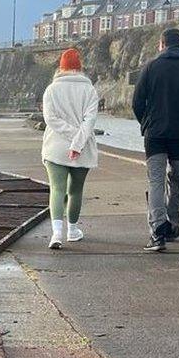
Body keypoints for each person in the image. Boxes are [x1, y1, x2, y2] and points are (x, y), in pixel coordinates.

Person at [132, 28, 179, 252]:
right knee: (177, 179)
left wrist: (145, 123)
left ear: (162, 44)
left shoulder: (151, 67)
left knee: (155, 181)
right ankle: (173, 224)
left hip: (155, 134)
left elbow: (137, 101)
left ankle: (157, 232)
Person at [40, 48, 100, 250]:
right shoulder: (90, 90)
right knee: (75, 191)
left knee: (56, 189)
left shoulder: (51, 90)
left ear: (61, 67)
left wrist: (70, 137)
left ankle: (56, 233)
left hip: (56, 147)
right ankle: (72, 231)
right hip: (82, 150)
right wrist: (77, 142)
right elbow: (89, 121)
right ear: (80, 67)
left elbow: (51, 119)